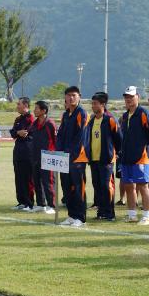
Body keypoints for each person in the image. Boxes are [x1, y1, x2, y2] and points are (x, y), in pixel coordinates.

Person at [119, 85, 149, 225]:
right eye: (126, 97)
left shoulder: (143, 113)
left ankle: (147, 216)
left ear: (138, 97)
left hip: (141, 157)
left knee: (143, 186)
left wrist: (147, 146)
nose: (129, 99)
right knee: (129, 185)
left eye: (131, 96)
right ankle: (132, 214)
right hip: (126, 157)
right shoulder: (125, 116)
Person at [82, 92, 121, 221]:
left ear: (103, 104)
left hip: (106, 160)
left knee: (107, 186)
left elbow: (119, 139)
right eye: (92, 103)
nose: (93, 106)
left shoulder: (110, 119)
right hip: (93, 159)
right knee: (97, 186)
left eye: (95, 104)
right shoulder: (92, 120)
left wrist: (114, 154)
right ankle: (101, 212)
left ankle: (109, 213)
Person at [55, 85, 89, 227]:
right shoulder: (65, 115)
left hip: (77, 158)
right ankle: (71, 215)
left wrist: (71, 153)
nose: (71, 98)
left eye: (74, 95)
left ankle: (80, 217)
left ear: (79, 96)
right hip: (64, 158)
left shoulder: (82, 113)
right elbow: (61, 135)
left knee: (78, 187)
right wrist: (59, 151)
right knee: (66, 187)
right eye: (68, 95)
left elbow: (81, 136)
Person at [27, 100, 57, 214]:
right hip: (35, 157)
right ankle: (41, 204)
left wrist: (53, 154)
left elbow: (55, 140)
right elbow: (30, 134)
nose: (34, 110)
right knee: (37, 181)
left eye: (37, 108)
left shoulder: (50, 123)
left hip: (48, 157)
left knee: (48, 182)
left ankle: (52, 206)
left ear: (44, 111)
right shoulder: (34, 124)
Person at [9, 97, 35, 210]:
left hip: (28, 153)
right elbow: (13, 133)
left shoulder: (32, 119)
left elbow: (25, 133)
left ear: (25, 105)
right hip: (18, 152)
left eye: (19, 104)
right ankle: (21, 202)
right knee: (18, 178)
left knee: (28, 178)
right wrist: (17, 132)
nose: (17, 106)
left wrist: (18, 133)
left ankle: (29, 203)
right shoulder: (18, 119)